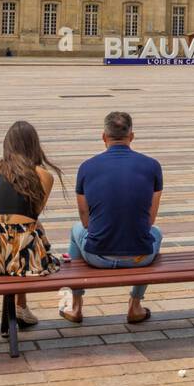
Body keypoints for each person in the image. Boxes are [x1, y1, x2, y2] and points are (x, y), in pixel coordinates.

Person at [60, 110, 162, 327]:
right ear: (131, 136)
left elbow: (86, 220)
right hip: (140, 257)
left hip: (97, 256)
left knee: (75, 229)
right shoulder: (152, 166)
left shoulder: (87, 167)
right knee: (157, 233)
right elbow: (149, 221)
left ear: (103, 136)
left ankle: (75, 305)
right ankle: (135, 305)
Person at [0, 120, 64, 327]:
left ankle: (21, 307)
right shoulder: (44, 176)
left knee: (15, 236)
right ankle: (21, 306)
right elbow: (32, 217)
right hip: (25, 256)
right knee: (27, 238)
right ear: (34, 146)